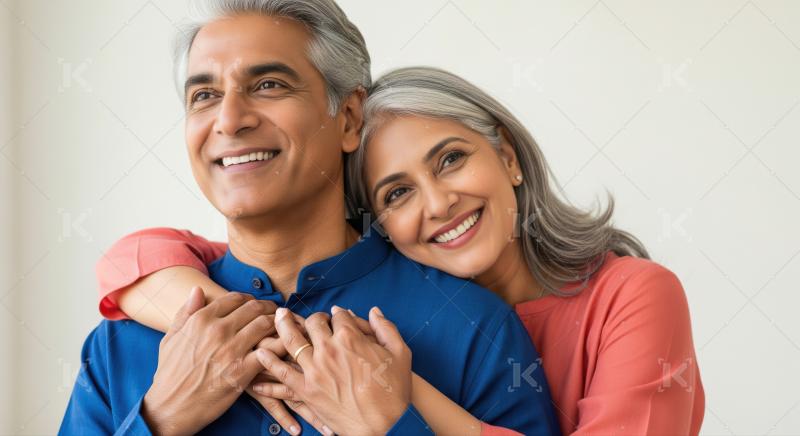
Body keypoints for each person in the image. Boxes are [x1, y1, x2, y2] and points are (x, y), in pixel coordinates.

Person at [95, 66, 706, 435]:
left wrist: (393, 394)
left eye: (451, 159)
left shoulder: (632, 294)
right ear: (374, 222)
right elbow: (135, 258)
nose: (438, 204)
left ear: (510, 159)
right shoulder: (385, 311)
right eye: (398, 193)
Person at [58, 1, 559, 435]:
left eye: (269, 84)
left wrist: (393, 425)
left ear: (348, 118)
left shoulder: (478, 329)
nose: (230, 120)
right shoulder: (118, 346)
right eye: (204, 96)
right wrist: (159, 418)